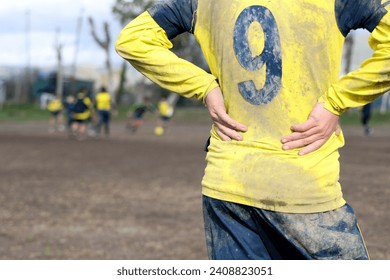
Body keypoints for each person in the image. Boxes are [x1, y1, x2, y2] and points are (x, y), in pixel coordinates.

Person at [115, 0, 390, 260]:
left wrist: (204, 87)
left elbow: (132, 40)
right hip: (304, 188)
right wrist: (335, 103)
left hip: (227, 187)